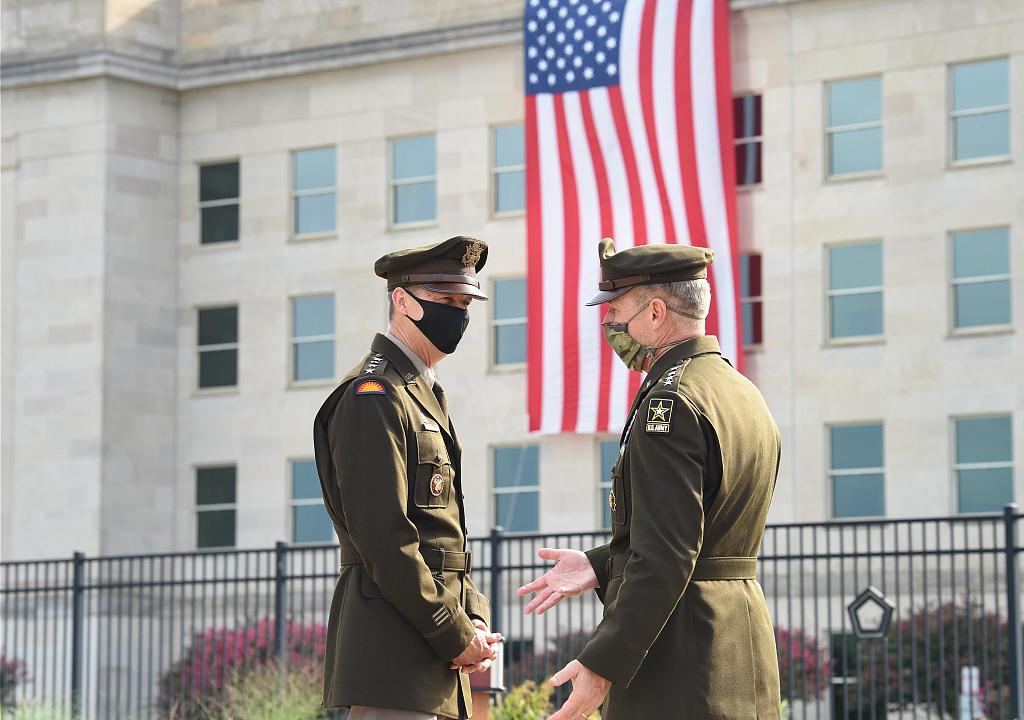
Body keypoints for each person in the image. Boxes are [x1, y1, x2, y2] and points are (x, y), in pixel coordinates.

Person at [518, 238, 782, 719]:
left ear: (656, 312)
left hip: (683, 661)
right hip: (741, 648)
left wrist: (603, 665)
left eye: (616, 309)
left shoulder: (671, 402)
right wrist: (603, 563)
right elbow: (703, 531)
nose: (608, 323)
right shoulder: (742, 392)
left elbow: (667, 556)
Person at [313, 236, 502, 720]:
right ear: (402, 301)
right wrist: (453, 631)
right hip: (392, 661)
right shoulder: (374, 394)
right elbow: (386, 538)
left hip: (428, 659)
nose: (459, 314)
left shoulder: (420, 391)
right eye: (445, 301)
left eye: (465, 303)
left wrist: (473, 615)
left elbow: (443, 533)